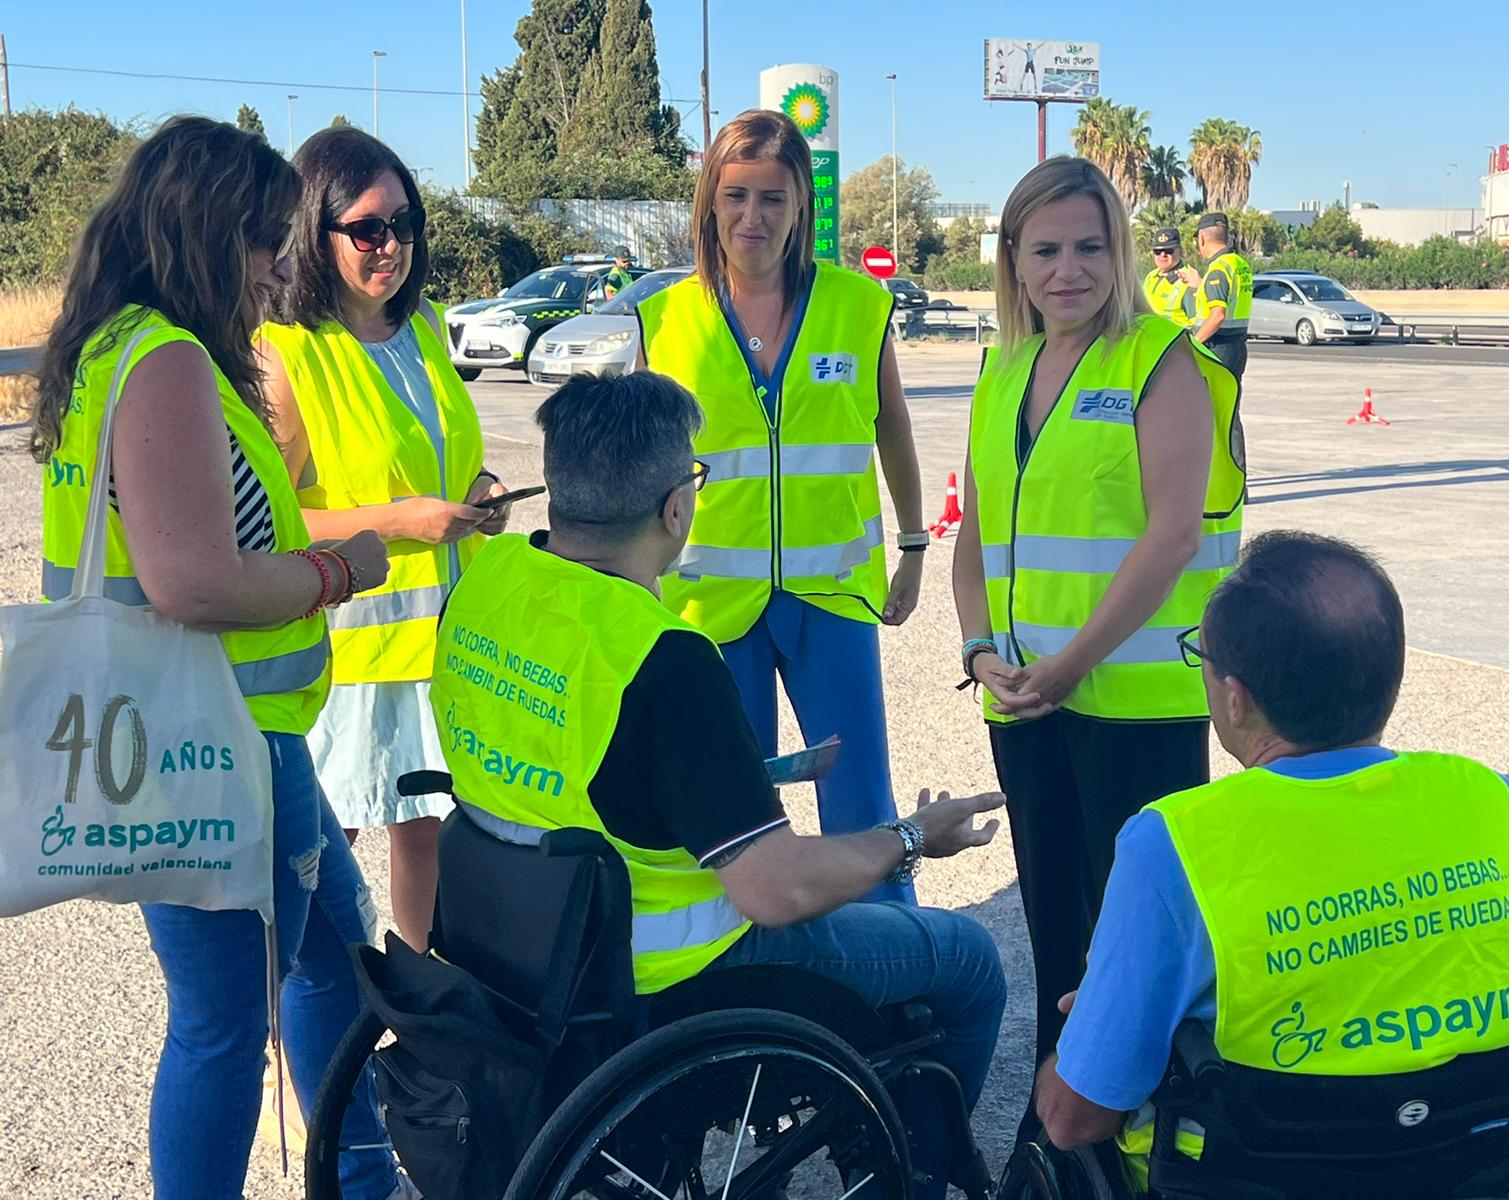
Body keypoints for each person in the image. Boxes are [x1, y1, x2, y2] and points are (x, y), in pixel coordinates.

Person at [430, 370, 1008, 1200]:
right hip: (668, 975)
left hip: (510, 937)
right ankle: (904, 1178)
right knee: (967, 961)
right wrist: (914, 840)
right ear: (676, 507)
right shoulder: (663, 660)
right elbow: (776, 891)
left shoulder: (484, 584)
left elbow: (558, 752)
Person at [33, 115, 405, 1200]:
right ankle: (342, 1180)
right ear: (206, 236)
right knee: (249, 1010)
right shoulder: (166, 363)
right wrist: (342, 570)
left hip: (197, 734)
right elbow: (194, 581)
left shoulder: (109, 351)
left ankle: (361, 1176)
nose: (281, 265)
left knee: (306, 978)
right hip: (218, 741)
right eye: (266, 241)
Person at [1034, 530, 1509, 1190]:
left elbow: (1076, 1120)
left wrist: (1094, 1020)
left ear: (1235, 697)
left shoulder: (1176, 842)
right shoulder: (1488, 798)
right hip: (1480, 1169)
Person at [951, 156, 1245, 1113]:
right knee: (1054, 934)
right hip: (1028, 702)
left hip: (1132, 711)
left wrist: (1070, 665)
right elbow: (977, 534)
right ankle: (1060, 1133)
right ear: (1014, 262)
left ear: (1118, 252)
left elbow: (1171, 536)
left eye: (1089, 245)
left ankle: (1145, 1139)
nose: (1068, 268)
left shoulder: (1163, 362)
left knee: (1136, 951)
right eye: (1045, 249)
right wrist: (978, 651)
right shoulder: (1002, 369)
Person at [635, 108, 926, 904]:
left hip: (829, 596)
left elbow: (890, 425)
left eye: (772, 198)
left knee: (861, 802)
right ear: (710, 204)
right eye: (735, 197)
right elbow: (637, 463)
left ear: (802, 204)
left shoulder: (857, 305)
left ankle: (891, 956)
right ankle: (749, 979)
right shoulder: (664, 319)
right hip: (709, 605)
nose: (751, 218)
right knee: (734, 812)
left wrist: (913, 543)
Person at [258, 127, 512, 953]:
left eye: (405, 223)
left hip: (443, 643)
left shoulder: (427, 327)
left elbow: (450, 461)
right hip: (346, 658)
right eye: (368, 229)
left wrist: (477, 496)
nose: (392, 245)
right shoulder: (287, 355)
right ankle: (287, 1046)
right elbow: (267, 524)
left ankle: (424, 1014)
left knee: (427, 829)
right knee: (317, 852)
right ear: (315, 233)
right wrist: (404, 520)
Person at [1188, 212, 1254, 384]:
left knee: (1213, 406)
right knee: (1229, 405)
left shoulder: (1218, 268)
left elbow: (1218, 314)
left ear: (1202, 238)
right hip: (1237, 347)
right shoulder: (1239, 263)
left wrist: (1193, 345)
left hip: (1218, 348)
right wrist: (1201, 284)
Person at [1140, 226, 1195, 327]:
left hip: (1177, 341)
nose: (1162, 255)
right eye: (1157, 251)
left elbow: (1197, 324)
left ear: (1181, 251)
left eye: (1169, 250)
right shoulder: (1151, 276)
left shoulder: (1189, 279)